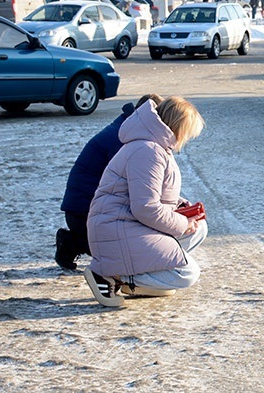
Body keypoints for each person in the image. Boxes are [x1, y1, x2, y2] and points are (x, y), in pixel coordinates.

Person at [84, 97, 207, 307]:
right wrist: (182, 223)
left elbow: (152, 192)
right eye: (188, 133)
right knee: (187, 274)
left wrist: (181, 207)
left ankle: (141, 278)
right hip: (118, 228)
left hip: (127, 226)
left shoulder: (154, 146)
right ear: (178, 127)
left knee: (199, 229)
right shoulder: (148, 151)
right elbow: (145, 207)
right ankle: (116, 276)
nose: (186, 139)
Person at [56, 94, 163, 271]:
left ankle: (75, 241)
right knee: (127, 252)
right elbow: (136, 186)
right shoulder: (124, 139)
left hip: (82, 210)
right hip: (84, 213)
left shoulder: (125, 129)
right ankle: (73, 242)